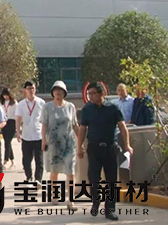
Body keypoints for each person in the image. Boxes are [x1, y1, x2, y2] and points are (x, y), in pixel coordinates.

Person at [78, 82, 134, 221]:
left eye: (93, 93)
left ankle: (110, 210)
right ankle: (96, 201)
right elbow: (82, 129)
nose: (90, 96)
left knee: (111, 180)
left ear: (102, 93)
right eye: (89, 94)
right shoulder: (87, 109)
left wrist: (127, 145)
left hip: (110, 148)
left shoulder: (113, 108)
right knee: (93, 178)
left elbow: (122, 127)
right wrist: (79, 147)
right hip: (94, 148)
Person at [41, 81, 79, 209]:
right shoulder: (47, 107)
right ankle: (54, 194)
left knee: (70, 171)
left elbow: (75, 125)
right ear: (52, 93)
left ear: (64, 93)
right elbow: (44, 125)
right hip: (53, 144)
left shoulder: (70, 107)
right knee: (54, 171)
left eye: (60, 90)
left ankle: (71, 200)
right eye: (55, 90)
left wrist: (81, 142)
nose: (58, 92)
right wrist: (43, 140)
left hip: (68, 144)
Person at [15, 80, 45, 187]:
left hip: (38, 135)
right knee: (26, 160)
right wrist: (18, 132)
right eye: (29, 88)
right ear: (25, 90)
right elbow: (18, 119)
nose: (31, 90)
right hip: (26, 135)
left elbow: (45, 120)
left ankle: (38, 179)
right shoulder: (21, 104)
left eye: (32, 88)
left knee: (39, 159)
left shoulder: (41, 102)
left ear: (35, 89)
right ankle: (29, 177)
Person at [0, 87, 16, 169]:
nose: (5, 97)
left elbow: (17, 114)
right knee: (7, 142)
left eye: (7, 95)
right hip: (4, 122)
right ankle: (13, 161)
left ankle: (5, 161)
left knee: (7, 142)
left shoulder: (14, 103)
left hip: (12, 122)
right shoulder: (1, 103)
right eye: (4, 95)